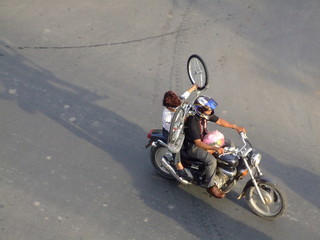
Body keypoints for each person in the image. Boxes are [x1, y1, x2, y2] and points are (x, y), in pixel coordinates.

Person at [183, 96, 246, 198]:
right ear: (200, 110)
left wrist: (236, 127)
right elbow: (198, 143)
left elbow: (220, 121)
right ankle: (211, 186)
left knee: (228, 143)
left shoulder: (205, 115)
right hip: (193, 146)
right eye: (208, 109)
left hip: (205, 139)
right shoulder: (192, 121)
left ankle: (224, 171)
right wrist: (215, 148)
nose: (211, 111)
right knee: (211, 161)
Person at [162, 84, 197, 181]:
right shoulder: (167, 117)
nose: (177, 108)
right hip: (171, 133)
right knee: (175, 146)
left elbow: (185, 95)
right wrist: (183, 120)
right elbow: (173, 130)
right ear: (168, 106)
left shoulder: (177, 103)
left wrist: (193, 88)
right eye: (175, 108)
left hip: (180, 126)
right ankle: (178, 165)